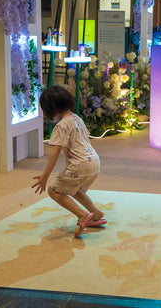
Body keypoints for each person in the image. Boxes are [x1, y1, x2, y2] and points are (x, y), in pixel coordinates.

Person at [31, 85, 107, 236]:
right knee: (74, 189)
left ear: (50, 108)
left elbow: (55, 152)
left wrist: (45, 176)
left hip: (80, 165)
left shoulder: (61, 125)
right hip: (94, 162)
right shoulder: (77, 119)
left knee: (54, 190)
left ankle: (82, 214)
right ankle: (95, 213)